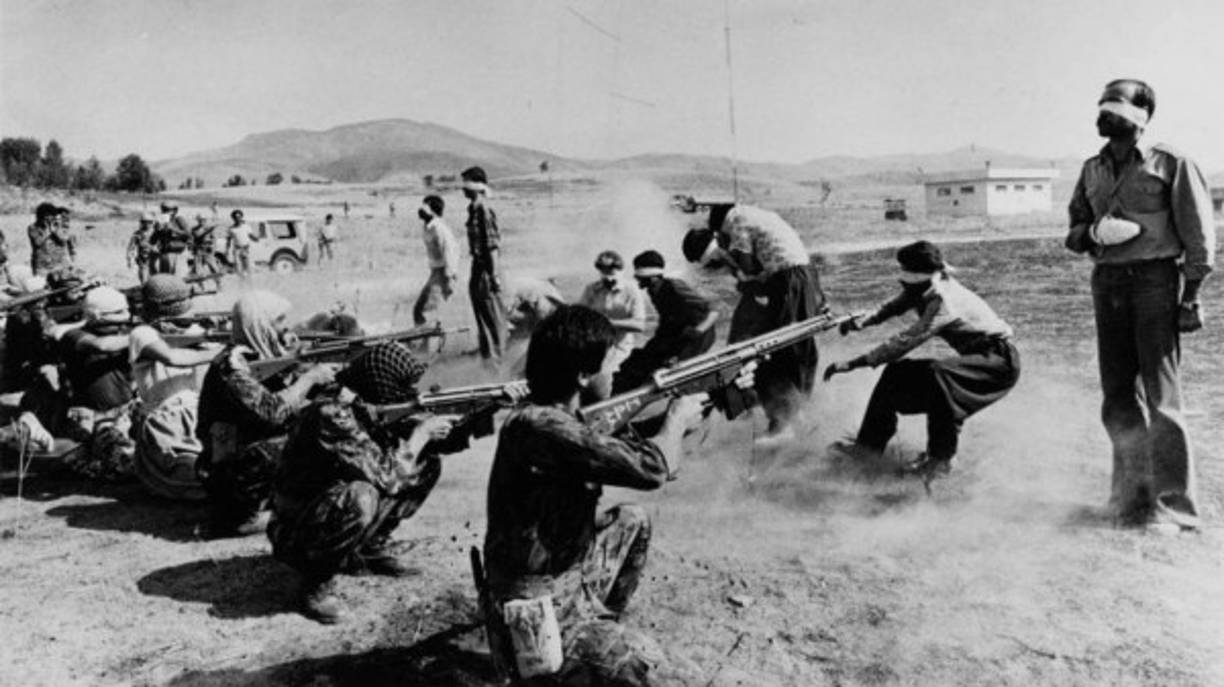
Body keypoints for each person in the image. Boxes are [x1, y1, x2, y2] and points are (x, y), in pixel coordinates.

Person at [482, 306, 711, 684]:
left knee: (631, 520)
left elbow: (620, 451)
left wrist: (693, 413)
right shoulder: (543, 426)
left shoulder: (552, 417)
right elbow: (651, 469)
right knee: (655, 674)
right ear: (583, 374)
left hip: (567, 574)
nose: (615, 371)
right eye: (609, 363)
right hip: (537, 603)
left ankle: (598, 634)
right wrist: (676, 420)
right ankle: (568, 661)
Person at [1065, 79, 1215, 532]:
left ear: (1140, 115)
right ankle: (1129, 499)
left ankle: (1173, 509)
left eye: (1112, 107)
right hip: (1106, 281)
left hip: (1153, 282)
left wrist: (1190, 297)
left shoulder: (1171, 163)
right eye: (1101, 106)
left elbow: (1199, 238)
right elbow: (1073, 230)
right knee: (1116, 396)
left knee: (1161, 397)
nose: (1102, 114)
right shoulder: (1092, 169)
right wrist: (1092, 236)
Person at [269, 343, 458, 623]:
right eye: (400, 385)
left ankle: (370, 549)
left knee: (425, 463)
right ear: (379, 383)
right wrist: (420, 434)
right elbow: (388, 478)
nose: (408, 393)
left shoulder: (358, 401)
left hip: (322, 506)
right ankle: (315, 584)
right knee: (362, 496)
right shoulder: (332, 413)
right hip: (296, 529)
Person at [824, 241, 1020, 481]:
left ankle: (941, 461)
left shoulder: (943, 300)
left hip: (999, 363)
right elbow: (892, 307)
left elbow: (907, 340)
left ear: (925, 278)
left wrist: (855, 363)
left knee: (939, 376)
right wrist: (861, 321)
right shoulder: (924, 286)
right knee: (896, 374)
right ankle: (867, 449)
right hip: (978, 358)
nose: (905, 287)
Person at [196, 291, 337, 538]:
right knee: (316, 432)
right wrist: (310, 377)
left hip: (244, 458)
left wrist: (297, 362)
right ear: (261, 325)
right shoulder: (233, 368)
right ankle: (244, 516)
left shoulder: (255, 357)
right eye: (279, 321)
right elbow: (273, 412)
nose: (286, 327)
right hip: (233, 472)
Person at [683, 203, 826, 444]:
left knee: (789, 347)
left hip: (790, 278)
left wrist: (733, 267)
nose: (716, 266)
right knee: (761, 346)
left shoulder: (737, 221)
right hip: (788, 279)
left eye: (713, 260)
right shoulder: (753, 218)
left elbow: (747, 268)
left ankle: (789, 420)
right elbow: (753, 277)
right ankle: (777, 411)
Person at [129, 275, 223, 500]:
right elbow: (171, 357)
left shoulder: (190, 331)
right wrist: (219, 351)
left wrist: (216, 336)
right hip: (165, 425)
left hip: (199, 416)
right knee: (193, 478)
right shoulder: (142, 334)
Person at [55, 287, 138, 481]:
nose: (124, 318)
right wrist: (143, 337)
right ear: (95, 316)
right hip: (90, 419)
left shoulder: (123, 334)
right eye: (117, 314)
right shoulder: (73, 336)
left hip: (124, 414)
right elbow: (102, 345)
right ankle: (85, 457)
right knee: (125, 468)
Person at [613, 250, 719, 393]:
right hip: (676, 334)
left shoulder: (674, 286)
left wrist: (698, 330)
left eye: (640, 278)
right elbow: (666, 321)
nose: (638, 282)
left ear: (651, 277)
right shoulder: (654, 291)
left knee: (669, 367)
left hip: (697, 337)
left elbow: (713, 309)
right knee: (638, 361)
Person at [461, 166, 506, 363]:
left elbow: (492, 246)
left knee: (494, 320)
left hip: (487, 271)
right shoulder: (472, 209)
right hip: (477, 268)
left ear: (478, 186)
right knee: (482, 320)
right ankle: (488, 361)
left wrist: (494, 275)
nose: (463, 188)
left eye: (467, 183)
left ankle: (497, 364)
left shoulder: (483, 210)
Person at [577, 250, 647, 374]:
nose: (608, 278)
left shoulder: (631, 290)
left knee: (605, 374)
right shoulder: (592, 289)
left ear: (621, 271)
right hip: (595, 345)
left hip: (620, 348)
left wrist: (608, 323)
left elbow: (640, 325)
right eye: (604, 273)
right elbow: (579, 316)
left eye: (612, 273)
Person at [412, 196, 460, 326]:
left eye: (425, 207)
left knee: (425, 311)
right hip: (435, 272)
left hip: (443, 273)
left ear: (433, 211)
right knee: (421, 310)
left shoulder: (439, 228)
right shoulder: (427, 227)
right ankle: (425, 342)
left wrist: (449, 277)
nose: (420, 210)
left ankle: (427, 344)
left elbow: (450, 250)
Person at [28, 202, 74, 276]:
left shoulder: (57, 225)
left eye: (50, 217)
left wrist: (55, 230)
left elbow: (63, 240)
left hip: (58, 264)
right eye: (45, 217)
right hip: (42, 266)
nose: (47, 220)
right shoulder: (33, 228)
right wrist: (48, 231)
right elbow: (37, 242)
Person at [151, 202, 191, 275]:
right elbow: (153, 240)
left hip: (178, 253)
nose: (166, 212)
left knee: (179, 277)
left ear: (175, 211)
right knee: (165, 278)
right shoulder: (160, 222)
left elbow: (188, 234)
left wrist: (173, 228)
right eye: (164, 210)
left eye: (169, 210)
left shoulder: (178, 220)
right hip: (165, 254)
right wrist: (157, 230)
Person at [188, 213, 222, 284]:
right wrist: (208, 231)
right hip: (199, 249)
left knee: (214, 268)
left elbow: (214, 238)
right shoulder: (194, 229)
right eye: (200, 220)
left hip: (207, 249)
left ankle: (219, 285)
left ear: (205, 220)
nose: (202, 221)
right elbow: (198, 236)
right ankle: (201, 286)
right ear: (198, 220)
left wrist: (213, 247)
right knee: (198, 269)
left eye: (203, 219)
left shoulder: (209, 228)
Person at [225, 209, 256, 278]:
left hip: (246, 249)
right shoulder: (231, 229)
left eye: (239, 217)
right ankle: (242, 283)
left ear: (241, 217)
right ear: (233, 218)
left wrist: (256, 238)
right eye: (235, 217)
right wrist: (226, 250)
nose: (237, 219)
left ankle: (250, 284)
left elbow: (251, 236)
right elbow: (228, 240)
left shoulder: (246, 226)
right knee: (238, 267)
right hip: (237, 250)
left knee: (248, 267)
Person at [127, 212, 157, 282]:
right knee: (144, 281)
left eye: (149, 222)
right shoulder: (137, 234)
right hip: (143, 261)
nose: (146, 224)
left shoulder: (156, 233)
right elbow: (131, 248)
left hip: (155, 260)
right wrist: (130, 260)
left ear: (152, 222)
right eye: (144, 222)